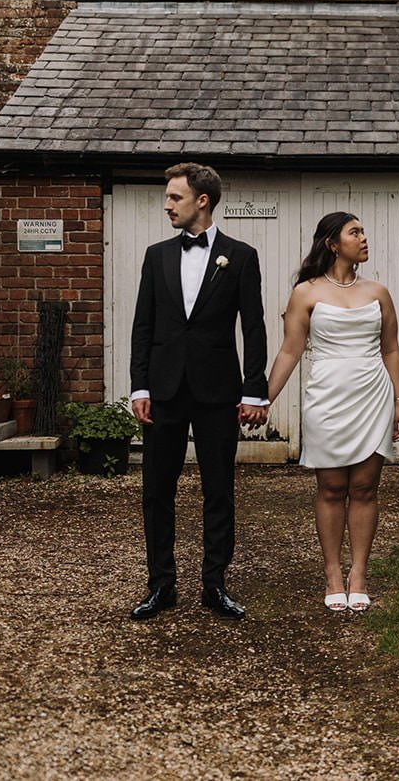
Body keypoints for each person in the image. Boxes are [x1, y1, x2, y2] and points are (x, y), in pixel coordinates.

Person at [128, 162, 270, 621]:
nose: (167, 205)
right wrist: (140, 384)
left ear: (201, 201)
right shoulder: (156, 256)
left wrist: (255, 391)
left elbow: (254, 327)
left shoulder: (241, 256)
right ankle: (161, 585)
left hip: (217, 391)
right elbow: (143, 326)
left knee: (219, 490)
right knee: (156, 491)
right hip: (164, 391)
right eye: (167, 197)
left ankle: (215, 585)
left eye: (175, 197)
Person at [266, 212, 399, 613]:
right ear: (332, 243)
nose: (364, 238)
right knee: (330, 488)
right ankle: (332, 575)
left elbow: (391, 349)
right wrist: (264, 398)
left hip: (372, 395)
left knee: (364, 489)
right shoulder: (306, 292)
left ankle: (358, 574)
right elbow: (290, 351)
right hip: (327, 397)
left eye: (363, 231)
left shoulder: (378, 292)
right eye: (355, 232)